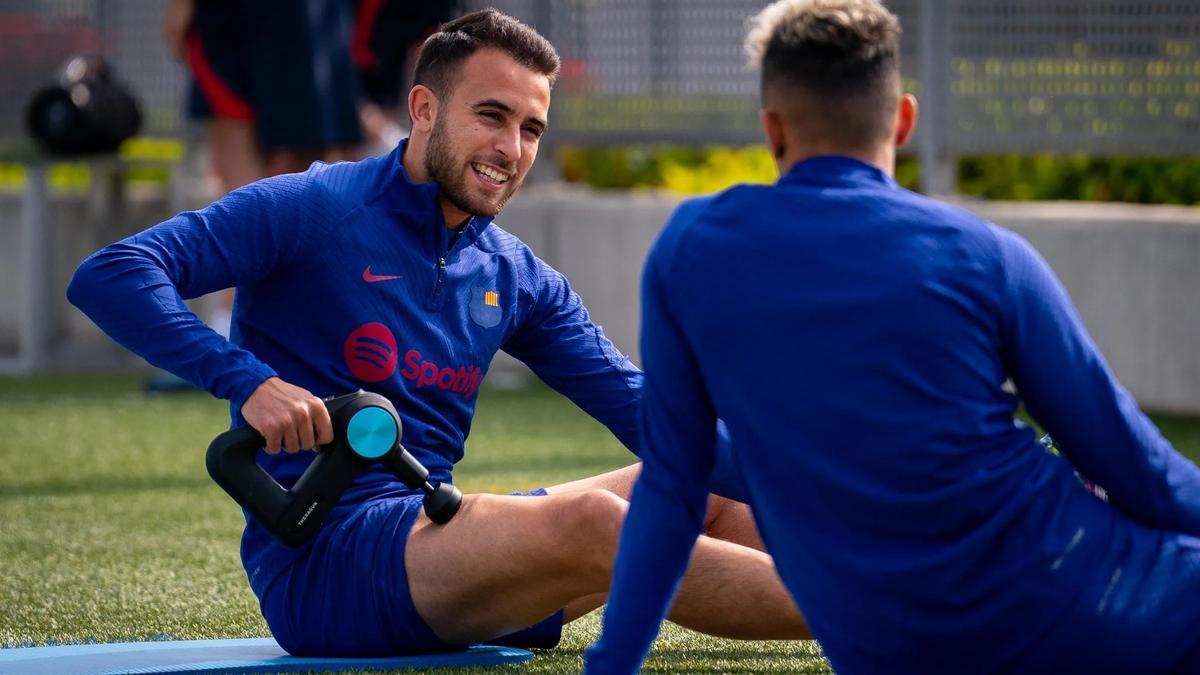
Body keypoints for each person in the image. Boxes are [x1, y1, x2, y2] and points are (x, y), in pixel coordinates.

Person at [69, 9, 809, 657]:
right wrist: (247, 380)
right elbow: (113, 273)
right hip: (323, 563)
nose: (511, 149)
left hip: (438, 542)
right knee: (594, 521)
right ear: (424, 108)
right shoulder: (311, 206)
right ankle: (885, 612)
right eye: (491, 116)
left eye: (531, 129)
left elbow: (651, 416)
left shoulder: (517, 275)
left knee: (706, 495)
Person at [585, 0, 1200, 673]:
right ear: (903, 119)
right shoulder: (986, 255)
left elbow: (672, 494)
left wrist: (610, 664)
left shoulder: (689, 254)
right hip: (1113, 606)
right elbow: (1136, 469)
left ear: (772, 130)